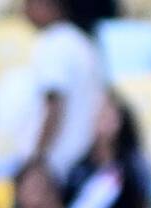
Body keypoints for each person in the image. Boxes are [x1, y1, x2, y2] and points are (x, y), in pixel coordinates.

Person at [20, 0, 104, 183]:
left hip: (56, 165)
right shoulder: (82, 41)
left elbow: (54, 106)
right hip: (80, 160)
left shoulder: (55, 43)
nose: (24, 10)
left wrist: (36, 159)